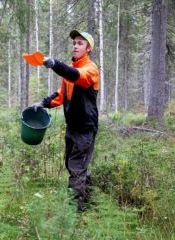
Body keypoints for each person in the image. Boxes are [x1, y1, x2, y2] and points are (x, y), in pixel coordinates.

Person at [32, 30, 99, 212]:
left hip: (85, 129)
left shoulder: (90, 70)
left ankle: (74, 213)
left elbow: (77, 75)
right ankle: (92, 201)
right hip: (72, 128)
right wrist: (43, 103)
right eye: (74, 43)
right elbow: (61, 95)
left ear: (88, 49)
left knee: (76, 168)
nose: (76, 46)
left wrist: (54, 64)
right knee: (73, 165)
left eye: (80, 43)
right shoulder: (70, 70)